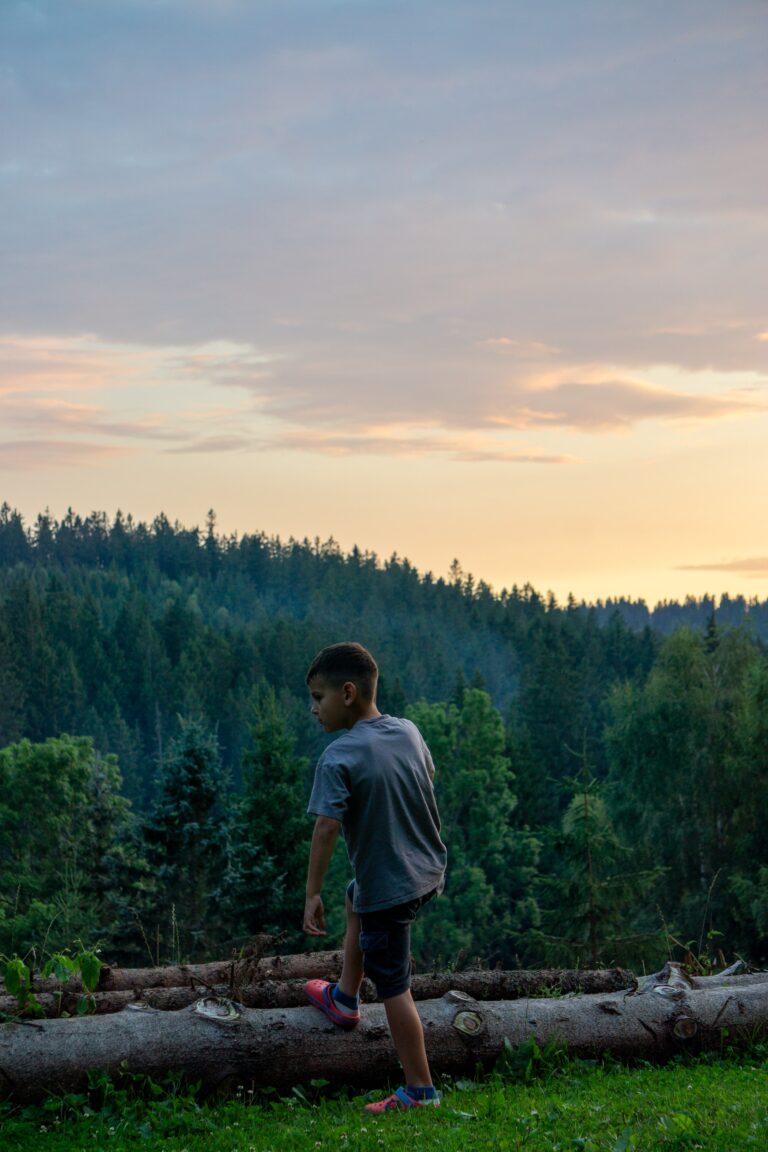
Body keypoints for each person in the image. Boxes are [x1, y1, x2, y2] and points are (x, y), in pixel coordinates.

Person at [302, 641, 447, 1113]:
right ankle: (344, 998)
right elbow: (426, 778)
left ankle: (419, 1090)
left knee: (393, 986)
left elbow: (326, 827)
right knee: (355, 896)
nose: (313, 709)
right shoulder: (407, 731)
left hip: (391, 888)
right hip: (425, 870)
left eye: (318, 698)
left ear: (347, 693)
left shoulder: (338, 756)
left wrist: (311, 894)